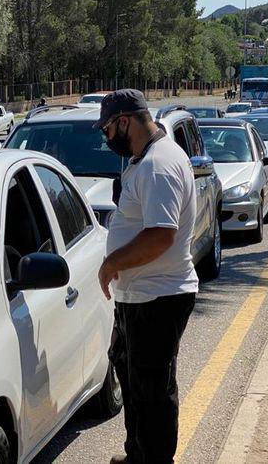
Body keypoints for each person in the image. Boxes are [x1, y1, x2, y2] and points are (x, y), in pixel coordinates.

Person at [95, 89, 198, 464]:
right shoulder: (146, 160)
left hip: (158, 299)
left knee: (152, 392)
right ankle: (137, 454)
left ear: (124, 121)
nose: (107, 139)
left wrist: (111, 264)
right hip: (141, 297)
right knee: (136, 385)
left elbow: (161, 234)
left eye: (107, 130)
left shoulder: (159, 164)